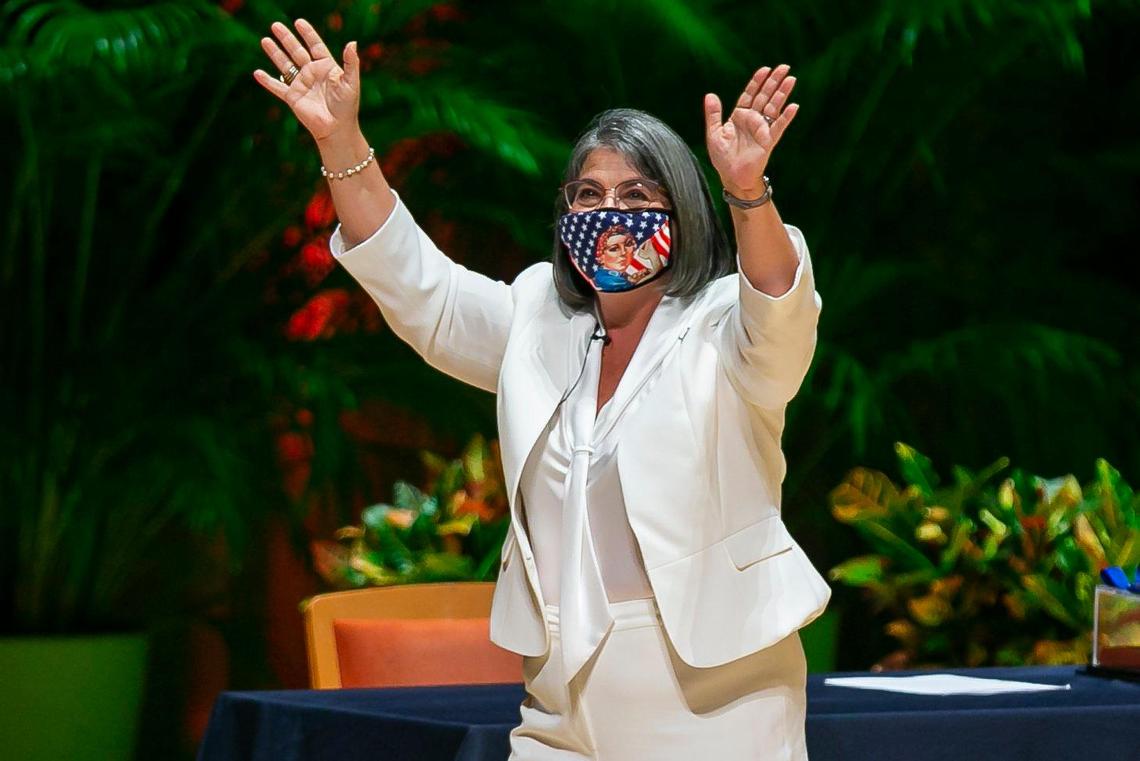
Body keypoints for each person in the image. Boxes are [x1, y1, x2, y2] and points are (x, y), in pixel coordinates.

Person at [255, 17, 831, 761]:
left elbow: (781, 305)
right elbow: (422, 292)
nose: (608, 213)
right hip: (561, 700)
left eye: (635, 192)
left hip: (715, 700)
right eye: (588, 194)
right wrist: (341, 142)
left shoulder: (728, 324)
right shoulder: (539, 314)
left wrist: (748, 193)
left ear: (683, 210)